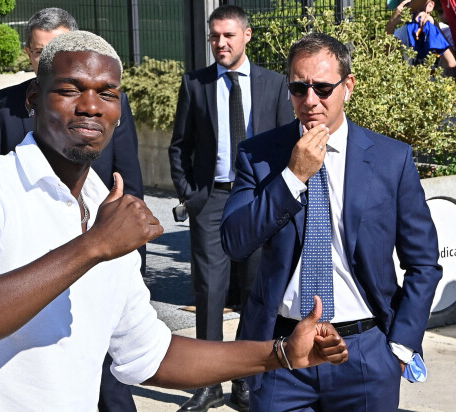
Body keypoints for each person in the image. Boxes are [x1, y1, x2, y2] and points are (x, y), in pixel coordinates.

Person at [0, 30, 349, 412]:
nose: (90, 106)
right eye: (70, 89)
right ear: (32, 99)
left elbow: (151, 355)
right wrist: (93, 245)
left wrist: (281, 353)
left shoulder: (106, 208)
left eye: (106, 93)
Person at [220, 32, 442, 411]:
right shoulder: (259, 155)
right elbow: (235, 241)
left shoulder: (392, 159)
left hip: (366, 352)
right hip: (281, 351)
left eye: (323, 88)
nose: (310, 101)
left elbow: (423, 263)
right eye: (298, 88)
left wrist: (400, 347)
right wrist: (293, 176)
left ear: (348, 86)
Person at [0, 11, 144, 409]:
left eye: (104, 94)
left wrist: (131, 258)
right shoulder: (3, 109)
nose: (89, 107)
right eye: (42, 51)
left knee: (110, 379)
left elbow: (130, 184)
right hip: (28, 270)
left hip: (101, 259)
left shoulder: (108, 105)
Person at [168, 5, 293, 411]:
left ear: (247, 36)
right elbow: (179, 146)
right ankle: (208, 383)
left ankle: (245, 379)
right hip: (213, 199)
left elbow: (287, 144)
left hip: (259, 200)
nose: (220, 43)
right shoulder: (196, 84)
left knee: (258, 292)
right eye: (214, 36)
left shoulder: (275, 85)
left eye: (228, 36)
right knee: (210, 292)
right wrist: (191, 195)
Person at [385, 0, 456, 69]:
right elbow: (385, 54)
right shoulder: (403, 31)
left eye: (409, 4)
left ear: (430, 6)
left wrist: (435, 27)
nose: (407, 10)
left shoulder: (445, 30)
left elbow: (452, 62)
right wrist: (392, 23)